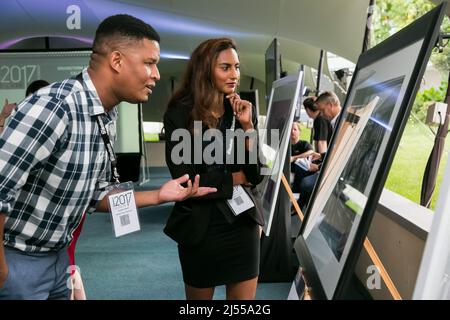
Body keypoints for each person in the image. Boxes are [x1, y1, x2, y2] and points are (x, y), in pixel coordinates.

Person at [0, 14, 216, 300]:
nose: (157, 74)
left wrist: (159, 195)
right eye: (149, 63)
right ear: (116, 61)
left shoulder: (105, 116)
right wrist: (3, 273)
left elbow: (95, 196)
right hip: (17, 262)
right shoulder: (55, 107)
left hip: (58, 259)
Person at [163, 38, 263, 300]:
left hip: (242, 225)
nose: (235, 75)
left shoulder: (241, 110)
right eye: (225, 67)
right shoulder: (179, 114)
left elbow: (255, 175)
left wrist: (248, 128)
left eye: (237, 67)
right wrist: (235, 178)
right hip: (200, 228)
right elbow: (185, 181)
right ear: (205, 69)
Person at [290, 122, 320, 193]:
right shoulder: (286, 146)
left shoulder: (304, 144)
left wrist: (294, 158)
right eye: (291, 129)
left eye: (295, 129)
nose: (292, 131)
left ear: (299, 132)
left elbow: (310, 152)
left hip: (300, 173)